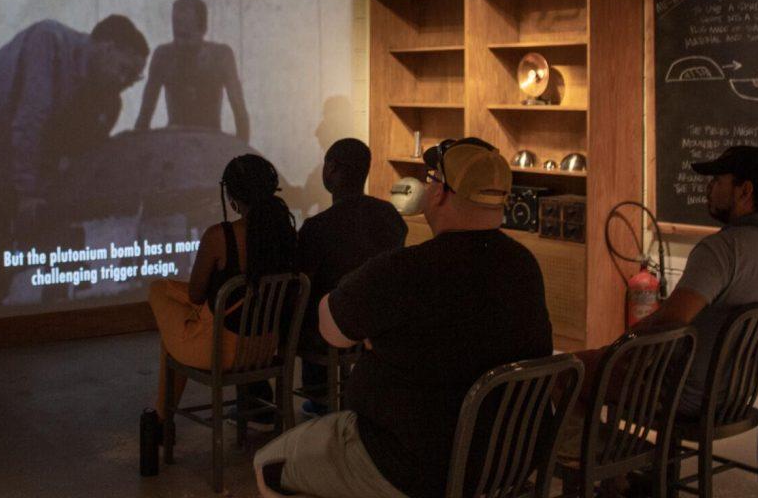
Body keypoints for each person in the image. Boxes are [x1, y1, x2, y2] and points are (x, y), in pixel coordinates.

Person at [254, 138, 552, 498]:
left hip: (410, 467)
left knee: (267, 466)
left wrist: (373, 330)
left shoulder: (407, 271)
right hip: (505, 462)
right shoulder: (524, 267)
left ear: (440, 192)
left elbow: (331, 329)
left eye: (430, 179)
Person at [0, 16, 149, 320]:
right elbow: (30, 122)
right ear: (107, 48)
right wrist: (29, 194)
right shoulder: (49, 42)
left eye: (133, 79)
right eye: (124, 70)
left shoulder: (106, 101)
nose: (125, 83)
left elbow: (76, 155)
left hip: (2, 150)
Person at [634, 144, 758, 416]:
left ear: (745, 191)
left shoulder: (721, 250)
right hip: (738, 398)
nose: (708, 188)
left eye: (717, 180)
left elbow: (670, 321)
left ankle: (608, 454)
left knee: (577, 372)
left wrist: (621, 345)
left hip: (683, 397)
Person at [146, 154, 297, 423]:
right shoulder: (286, 232)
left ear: (232, 196)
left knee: (160, 292)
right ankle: (254, 410)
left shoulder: (219, 236)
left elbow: (195, 294)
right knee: (183, 313)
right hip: (266, 349)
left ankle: (160, 419)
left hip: (222, 354)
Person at [295, 137, 406, 412]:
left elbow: (300, 285)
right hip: (378, 323)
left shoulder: (318, 227)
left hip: (331, 331)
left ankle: (318, 397)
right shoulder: (390, 215)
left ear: (331, 168)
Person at [134, 0, 250, 142]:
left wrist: (243, 153)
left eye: (187, 36)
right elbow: (145, 115)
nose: (181, 43)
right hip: (175, 141)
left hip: (211, 140)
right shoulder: (163, 56)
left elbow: (240, 112)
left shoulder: (221, 57)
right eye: (177, 35)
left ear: (203, 30)